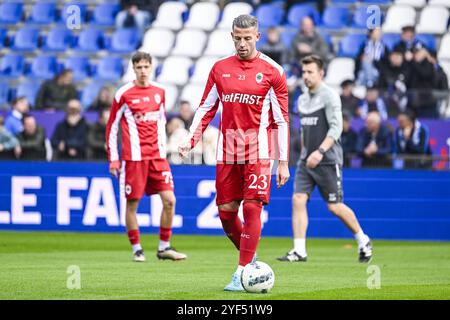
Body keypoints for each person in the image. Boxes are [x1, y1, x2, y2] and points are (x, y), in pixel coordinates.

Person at [178, 15, 290, 292]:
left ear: (257, 37)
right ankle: (250, 258)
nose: (242, 43)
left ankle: (242, 272)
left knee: (252, 207)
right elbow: (206, 107)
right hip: (228, 150)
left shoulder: (273, 72)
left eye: (247, 38)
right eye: (238, 38)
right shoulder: (220, 69)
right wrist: (191, 139)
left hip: (258, 150)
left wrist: (283, 161)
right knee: (226, 214)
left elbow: (282, 120)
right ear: (231, 36)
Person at [277, 55, 372, 264]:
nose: (306, 76)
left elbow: (336, 128)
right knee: (298, 199)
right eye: (304, 72)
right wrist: (305, 152)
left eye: (310, 72)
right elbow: (304, 130)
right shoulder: (302, 99)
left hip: (327, 159)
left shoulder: (329, 96)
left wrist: (319, 151)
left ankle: (362, 239)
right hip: (306, 160)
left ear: (321, 73)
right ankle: (299, 250)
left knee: (335, 206)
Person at [106, 51, 187, 263]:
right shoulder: (123, 94)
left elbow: (161, 121)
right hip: (134, 158)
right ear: (133, 69)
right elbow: (112, 127)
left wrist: (167, 146)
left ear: (151, 67)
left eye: (146, 67)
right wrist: (114, 158)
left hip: (158, 157)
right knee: (132, 204)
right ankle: (136, 249)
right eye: (139, 67)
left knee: (170, 200)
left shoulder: (160, 92)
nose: (143, 71)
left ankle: (164, 247)